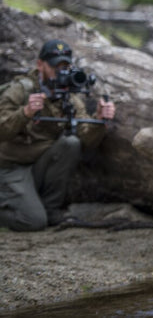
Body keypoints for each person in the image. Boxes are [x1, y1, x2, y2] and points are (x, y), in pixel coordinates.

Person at [0, 38, 115, 230]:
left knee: (71, 143)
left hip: (38, 165)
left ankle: (51, 208)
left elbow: (85, 141)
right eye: (55, 67)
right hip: (10, 167)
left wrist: (99, 121)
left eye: (65, 67)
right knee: (33, 222)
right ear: (40, 65)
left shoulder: (68, 96)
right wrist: (25, 113)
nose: (60, 72)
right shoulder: (20, 90)